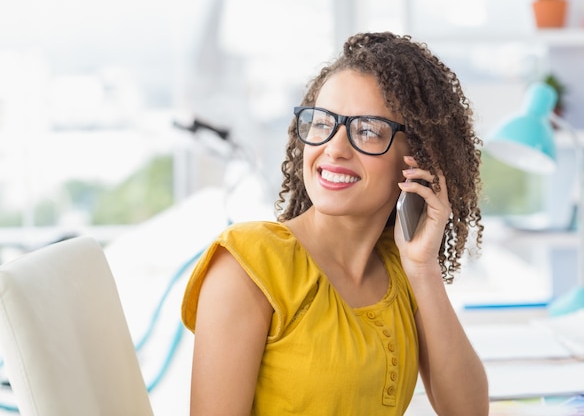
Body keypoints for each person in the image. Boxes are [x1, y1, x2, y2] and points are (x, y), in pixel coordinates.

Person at [181, 31, 489, 416]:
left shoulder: (401, 268)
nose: (334, 148)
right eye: (322, 123)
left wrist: (423, 268)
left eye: (367, 131)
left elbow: (469, 412)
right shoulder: (249, 266)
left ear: (418, 159)